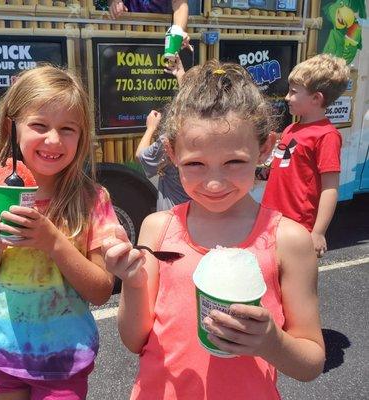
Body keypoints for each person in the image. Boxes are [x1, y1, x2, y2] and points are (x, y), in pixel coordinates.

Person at [102, 61, 326, 399]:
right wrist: (133, 283)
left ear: (264, 148)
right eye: (195, 164)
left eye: (234, 162)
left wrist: (272, 342)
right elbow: (135, 340)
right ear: (172, 154)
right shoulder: (157, 228)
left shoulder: (289, 240)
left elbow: (311, 362)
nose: (214, 182)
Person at [0, 65, 119, 399]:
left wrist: (53, 242)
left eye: (67, 129)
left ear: (82, 136)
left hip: (63, 359)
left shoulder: (92, 200)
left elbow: (102, 291)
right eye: (39, 125)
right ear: (12, 126)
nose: (53, 139)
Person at [262, 53, 350, 258]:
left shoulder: (327, 135)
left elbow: (330, 188)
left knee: (292, 281)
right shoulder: (291, 129)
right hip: (272, 219)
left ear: (316, 98)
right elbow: (279, 168)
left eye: (293, 92)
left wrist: (318, 232)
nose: (286, 97)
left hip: (298, 225)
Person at [136, 53, 192, 211]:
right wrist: (180, 73)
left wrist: (150, 128)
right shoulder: (211, 133)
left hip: (174, 218)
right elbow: (190, 103)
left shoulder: (170, 140)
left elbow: (141, 156)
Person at [109, 0, 189, 35]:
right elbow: (114, 2)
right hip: (128, 33)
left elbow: (179, 4)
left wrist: (179, 31)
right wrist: (114, 2)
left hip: (162, 35)